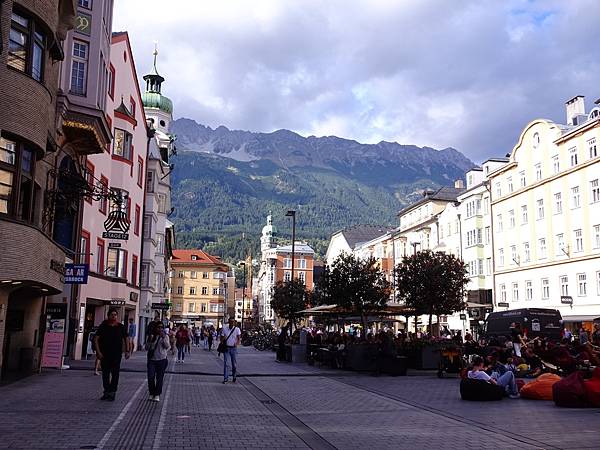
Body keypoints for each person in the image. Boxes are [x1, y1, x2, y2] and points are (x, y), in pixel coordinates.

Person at [94, 309, 131, 401]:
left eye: (115, 315)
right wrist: (98, 352)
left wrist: (127, 350)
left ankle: (112, 392)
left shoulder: (120, 327)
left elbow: (126, 338)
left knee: (115, 374)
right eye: (112, 315)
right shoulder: (103, 326)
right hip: (105, 354)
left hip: (116, 354)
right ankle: (106, 391)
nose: (114, 316)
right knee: (105, 374)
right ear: (108, 316)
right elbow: (96, 339)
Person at [146, 321, 171, 402]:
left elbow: (167, 347)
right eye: (158, 327)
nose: (160, 329)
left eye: (161, 327)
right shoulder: (152, 336)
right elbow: (146, 348)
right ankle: (151, 393)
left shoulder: (165, 336)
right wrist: (150, 341)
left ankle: (157, 394)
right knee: (150, 377)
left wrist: (163, 338)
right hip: (152, 360)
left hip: (162, 359)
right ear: (155, 328)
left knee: (159, 378)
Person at [220, 318, 241, 383]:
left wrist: (237, 343)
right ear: (228, 322)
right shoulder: (225, 328)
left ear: (234, 323)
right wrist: (223, 340)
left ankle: (234, 376)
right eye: (230, 322)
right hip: (227, 348)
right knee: (226, 363)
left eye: (233, 322)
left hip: (234, 348)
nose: (232, 323)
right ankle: (225, 378)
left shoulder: (237, 329)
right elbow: (221, 338)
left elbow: (239, 338)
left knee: (234, 364)